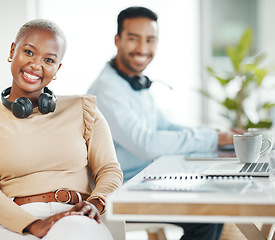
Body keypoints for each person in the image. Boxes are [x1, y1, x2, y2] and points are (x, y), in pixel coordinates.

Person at [0, 19, 123, 240]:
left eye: (48, 60)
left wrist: (95, 202)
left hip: (76, 217)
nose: (36, 65)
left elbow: (109, 170)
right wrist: (33, 224)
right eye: (28, 52)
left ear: (57, 68)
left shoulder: (84, 111)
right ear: (12, 50)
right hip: (13, 223)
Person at [87, 6, 234, 240]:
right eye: (134, 39)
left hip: (146, 183)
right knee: (206, 216)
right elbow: (146, 143)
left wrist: (217, 134)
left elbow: (165, 127)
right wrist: (215, 139)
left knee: (214, 206)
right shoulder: (107, 89)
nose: (143, 49)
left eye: (150, 40)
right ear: (118, 40)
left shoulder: (135, 82)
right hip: (121, 193)